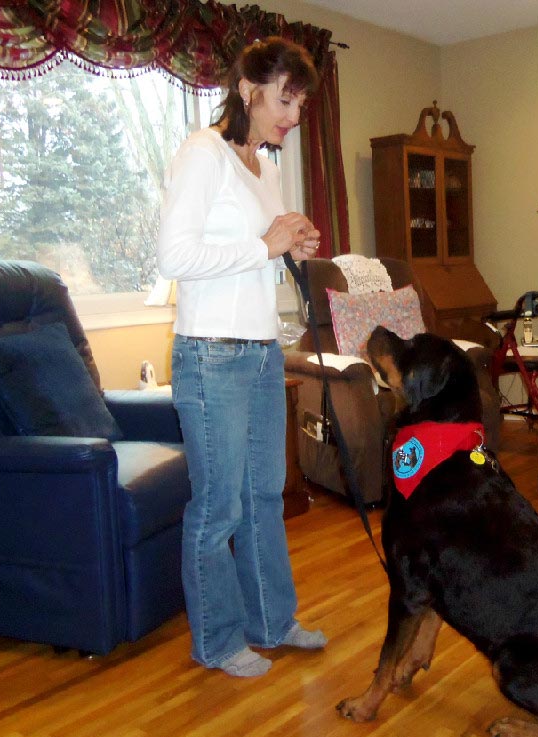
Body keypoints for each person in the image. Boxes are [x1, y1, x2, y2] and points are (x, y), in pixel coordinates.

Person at [157, 37, 326, 677]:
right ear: (249, 89)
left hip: (260, 352)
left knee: (264, 497)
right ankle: (218, 641)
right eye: (285, 100)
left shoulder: (265, 166)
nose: (294, 115)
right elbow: (175, 257)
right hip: (210, 355)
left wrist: (291, 245)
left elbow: (264, 249)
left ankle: (272, 622)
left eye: (301, 104)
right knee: (218, 507)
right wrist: (265, 246)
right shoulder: (203, 155)